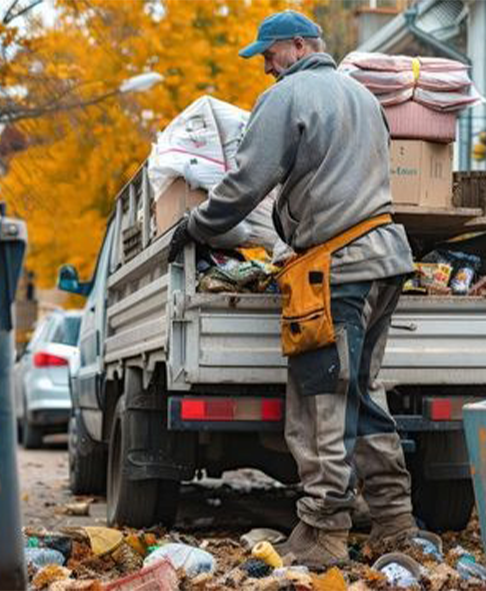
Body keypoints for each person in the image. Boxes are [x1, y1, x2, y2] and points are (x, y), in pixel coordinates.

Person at [168, 10, 419, 569]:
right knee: (362, 392)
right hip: (383, 259)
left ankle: (325, 531)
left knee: (322, 401)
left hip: (337, 269)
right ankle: (396, 521)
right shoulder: (361, 97)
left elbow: (244, 183)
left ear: (300, 45)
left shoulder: (289, 95)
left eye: (268, 54)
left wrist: (196, 227)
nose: (264, 66)